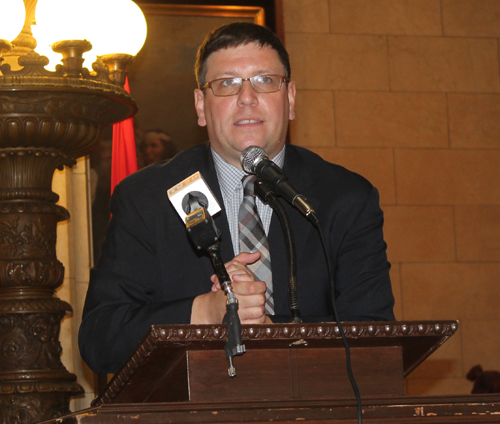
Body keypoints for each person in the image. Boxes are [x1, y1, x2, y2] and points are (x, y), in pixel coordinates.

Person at [79, 22, 395, 374]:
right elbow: (100, 338)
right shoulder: (146, 199)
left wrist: (277, 339)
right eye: (227, 83)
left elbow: (375, 338)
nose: (247, 97)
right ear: (201, 106)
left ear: (290, 99)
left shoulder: (344, 199)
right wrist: (206, 312)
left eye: (265, 80)